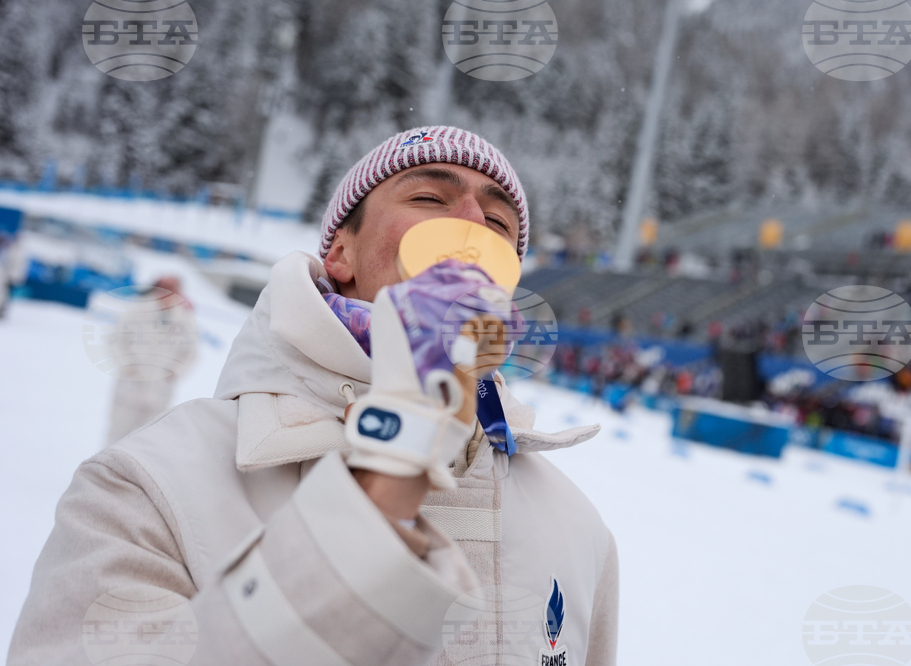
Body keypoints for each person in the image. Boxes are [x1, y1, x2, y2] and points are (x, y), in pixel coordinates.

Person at [9, 126, 618, 665]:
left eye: (498, 224)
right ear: (340, 252)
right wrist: (377, 495)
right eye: (429, 198)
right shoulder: (151, 484)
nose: (469, 223)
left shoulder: (580, 533)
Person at [102, 276, 198, 445]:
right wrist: (127, 366)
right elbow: (115, 339)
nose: (168, 292)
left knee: (146, 440)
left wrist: (175, 372)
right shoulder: (138, 309)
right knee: (116, 436)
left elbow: (191, 353)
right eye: (165, 287)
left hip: (159, 390)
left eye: (173, 288)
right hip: (131, 385)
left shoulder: (185, 317)